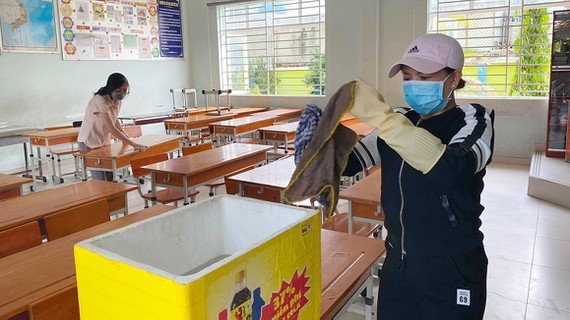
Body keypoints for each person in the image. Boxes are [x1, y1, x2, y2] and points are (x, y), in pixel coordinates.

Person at [345, 33, 495, 319]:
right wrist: (323, 144)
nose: (414, 85)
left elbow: (451, 170)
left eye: (425, 77)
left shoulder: (474, 120)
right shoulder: (402, 119)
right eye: (408, 77)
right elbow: (351, 162)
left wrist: (385, 120)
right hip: (398, 261)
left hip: (451, 265)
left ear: (453, 79)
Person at [78, 73, 147, 181]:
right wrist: (133, 143)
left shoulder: (118, 101)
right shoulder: (99, 100)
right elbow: (110, 127)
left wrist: (123, 133)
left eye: (125, 90)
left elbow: (114, 119)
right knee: (100, 178)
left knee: (110, 175)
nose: (122, 93)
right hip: (89, 141)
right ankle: (101, 197)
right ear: (111, 88)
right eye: (119, 90)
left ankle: (112, 197)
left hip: (103, 140)